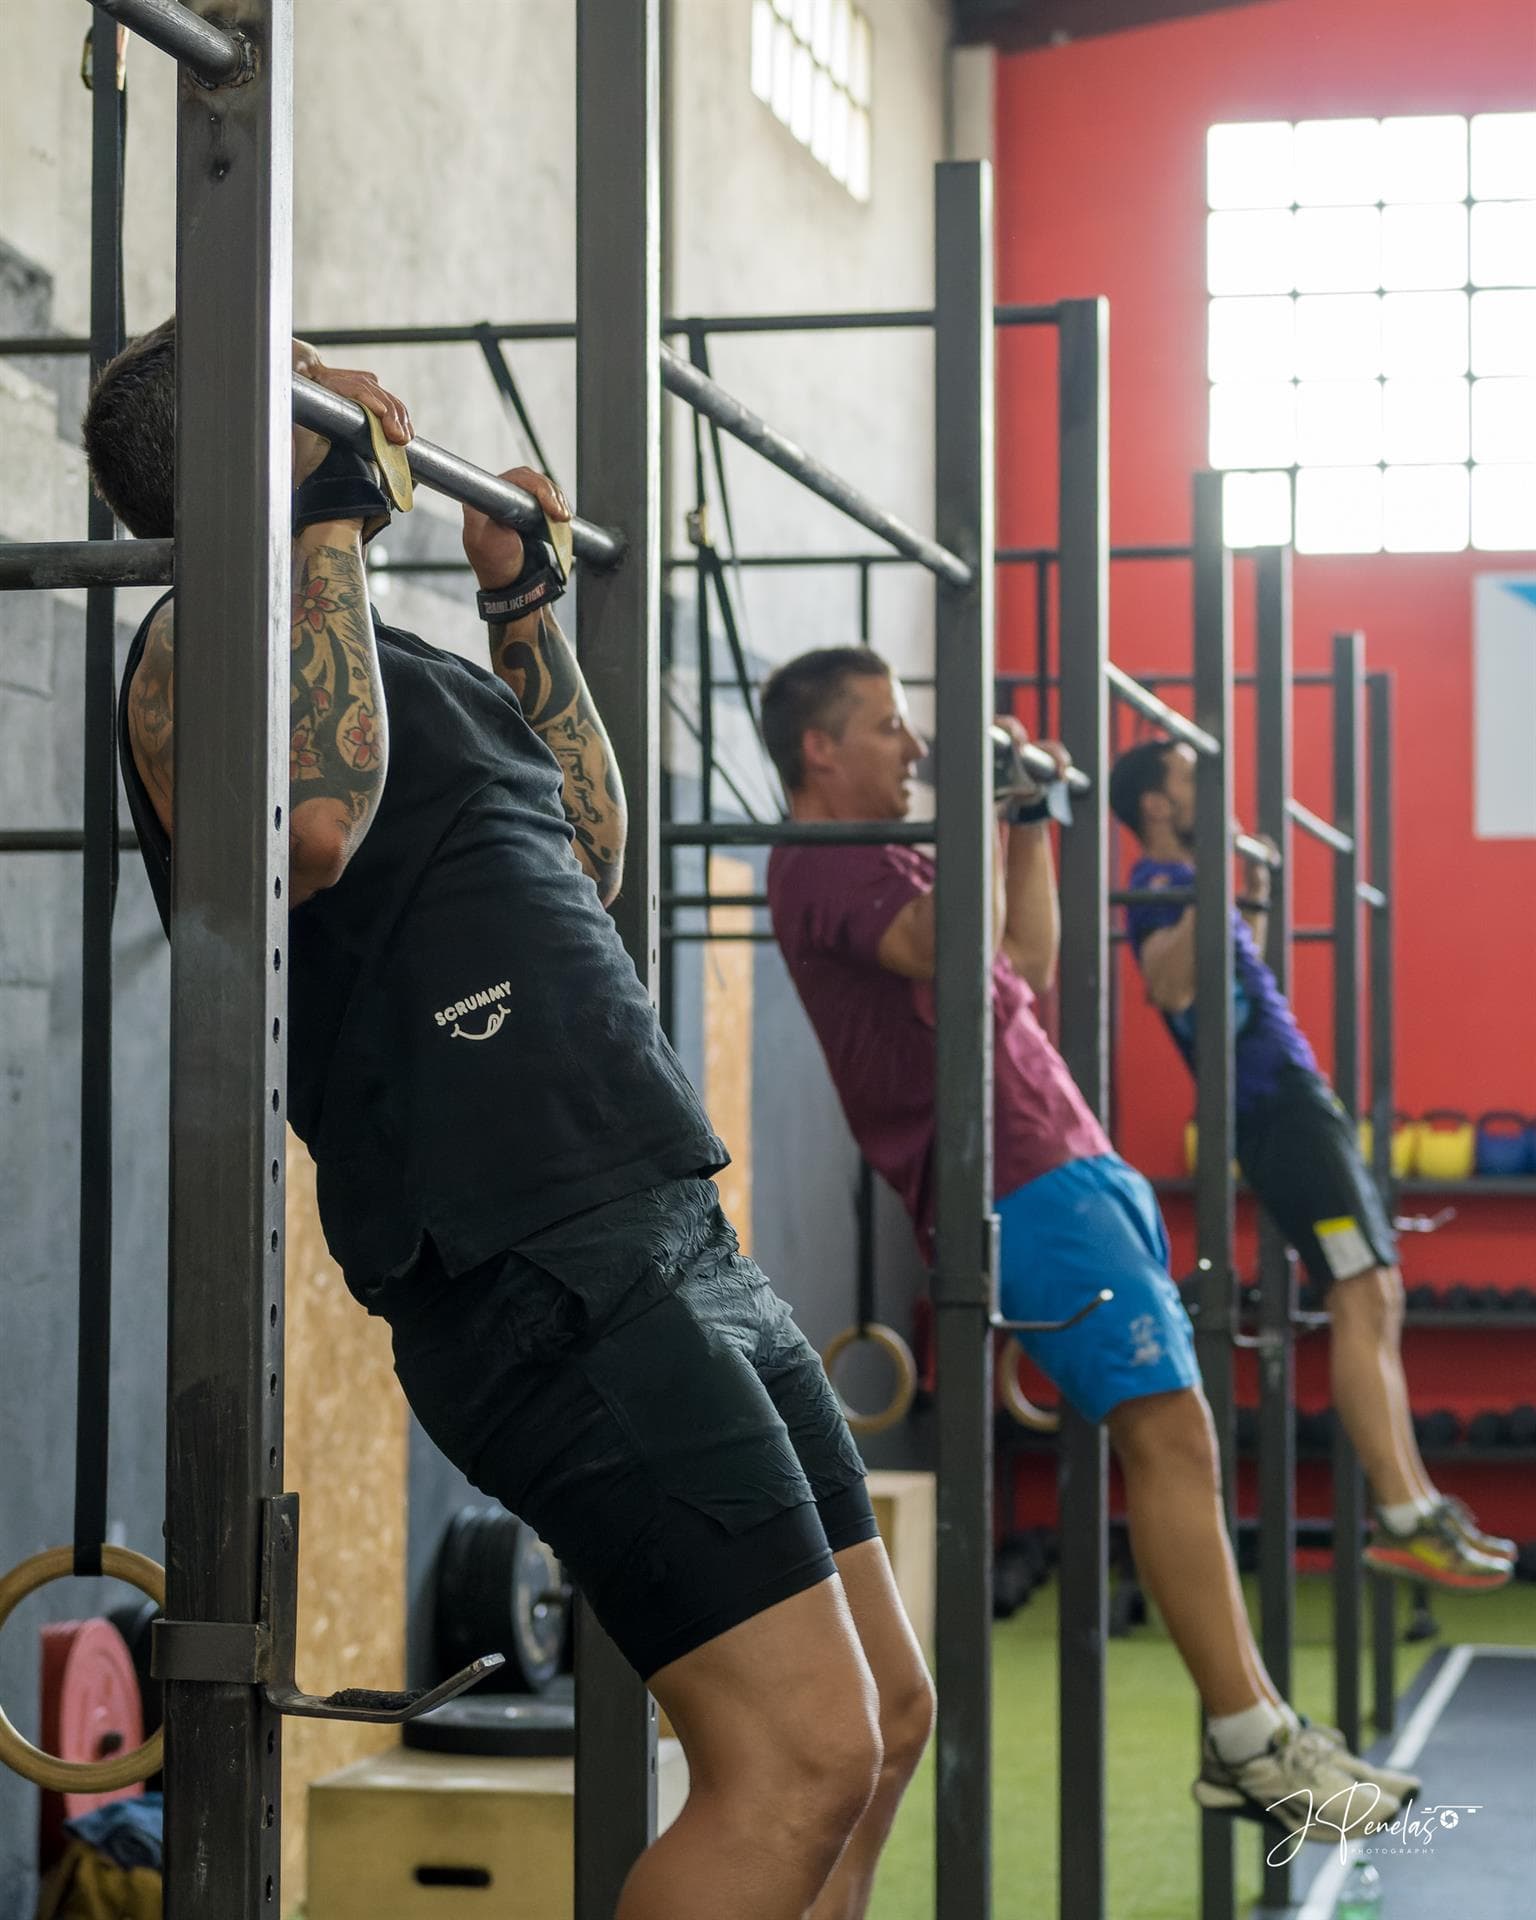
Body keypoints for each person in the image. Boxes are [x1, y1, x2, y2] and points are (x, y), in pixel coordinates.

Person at [81, 323, 935, 1920]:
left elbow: (593, 842)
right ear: (248, 443)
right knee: (798, 1752)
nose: (379, 403)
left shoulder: (398, 663)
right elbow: (311, 827)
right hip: (529, 1264)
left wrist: (522, 606)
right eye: (322, 382)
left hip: (670, 1214)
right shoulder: (197, 649)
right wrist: (323, 513)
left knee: (884, 1721)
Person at [761, 645, 1416, 1843]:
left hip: (1070, 1154)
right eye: (891, 728)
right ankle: (1244, 1741)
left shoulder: (905, 854)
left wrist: (1024, 817)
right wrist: (981, 795)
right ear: (819, 749)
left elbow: (1031, 956)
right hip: (1013, 1184)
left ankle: (1262, 1717)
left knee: (1187, 1430)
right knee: (1166, 1426)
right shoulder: (819, 865)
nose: (914, 750)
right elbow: (944, 954)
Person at [1109, 737, 1513, 1593]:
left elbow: (1223, 977)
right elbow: (1167, 985)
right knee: (1360, 1293)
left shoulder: (1188, 885)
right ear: (1154, 804)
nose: (1209, 792)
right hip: (1273, 1115)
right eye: (1191, 778)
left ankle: (1417, 1505)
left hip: (1295, 1099)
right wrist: (1219, 883)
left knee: (1379, 1291)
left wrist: (1245, 899)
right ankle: (1403, 1514)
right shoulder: (1155, 884)